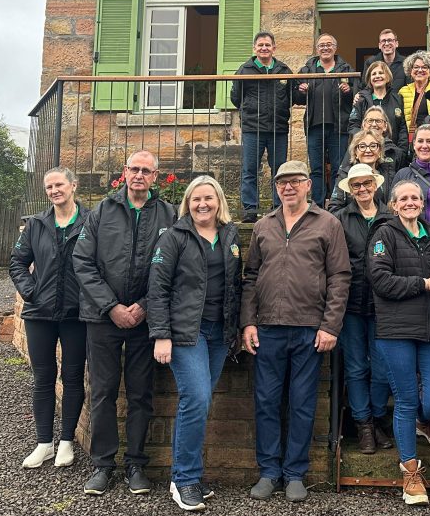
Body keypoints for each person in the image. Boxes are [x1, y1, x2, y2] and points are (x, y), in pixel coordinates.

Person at [241, 160, 351, 502]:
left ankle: (295, 474)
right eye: (282, 183)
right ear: (276, 188)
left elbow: (340, 278)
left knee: (302, 403)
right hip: (268, 328)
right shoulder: (264, 225)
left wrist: (330, 325)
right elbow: (250, 277)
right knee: (266, 402)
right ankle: (268, 471)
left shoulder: (328, 223)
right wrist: (248, 321)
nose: (288, 187)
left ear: (308, 185)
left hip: (309, 328)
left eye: (295, 181)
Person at [73, 150, 177, 496]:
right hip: (102, 318)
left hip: (145, 320)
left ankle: (135, 464)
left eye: (146, 170)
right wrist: (111, 306)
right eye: (134, 169)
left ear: (155, 176)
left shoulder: (169, 214)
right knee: (102, 392)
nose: (139, 175)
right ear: (124, 172)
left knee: (141, 394)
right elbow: (82, 262)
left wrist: (145, 306)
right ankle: (103, 465)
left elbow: (175, 266)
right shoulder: (102, 211)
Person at [148, 176, 242, 511]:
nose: (203, 204)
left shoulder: (230, 235)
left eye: (209, 198)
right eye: (196, 199)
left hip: (220, 333)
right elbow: (157, 289)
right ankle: (184, 479)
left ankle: (188, 475)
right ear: (187, 204)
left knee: (199, 403)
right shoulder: (173, 237)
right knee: (197, 398)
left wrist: (237, 329)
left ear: (219, 202)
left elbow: (236, 285)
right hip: (187, 332)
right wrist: (161, 334)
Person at [368, 179, 430, 506]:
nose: (409, 202)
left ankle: (424, 420)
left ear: (422, 203)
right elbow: (380, 280)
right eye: (403, 198)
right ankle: (410, 473)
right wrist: (424, 284)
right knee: (405, 399)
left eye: (415, 198)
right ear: (393, 205)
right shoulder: (384, 235)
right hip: (396, 332)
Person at [9, 166, 90, 470]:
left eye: (59, 185)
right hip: (39, 314)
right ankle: (44, 443)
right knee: (43, 378)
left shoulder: (90, 222)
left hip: (76, 315)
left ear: (73, 185)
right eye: (49, 187)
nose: (54, 191)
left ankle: (66, 441)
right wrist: (31, 291)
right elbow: (17, 263)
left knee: (72, 376)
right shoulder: (36, 224)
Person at [334, 163, 395, 455]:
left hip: (383, 304)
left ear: (375, 185)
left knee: (382, 367)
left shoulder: (390, 218)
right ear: (350, 189)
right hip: (351, 304)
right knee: (356, 367)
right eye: (356, 185)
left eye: (366, 183)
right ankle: (364, 424)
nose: (362, 189)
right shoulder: (340, 219)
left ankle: (378, 415)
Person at [231, 31, 292, 222]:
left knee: (279, 171)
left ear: (274, 48)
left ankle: (278, 207)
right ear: (254, 48)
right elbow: (236, 97)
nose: (264, 48)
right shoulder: (244, 70)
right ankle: (250, 211)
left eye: (267, 45)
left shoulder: (284, 70)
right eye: (260, 45)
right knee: (250, 170)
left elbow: (293, 96)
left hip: (278, 128)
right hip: (253, 128)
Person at [294, 34, 355, 208]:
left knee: (338, 168)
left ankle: (337, 204)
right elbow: (296, 97)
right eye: (321, 45)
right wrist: (301, 91)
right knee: (316, 169)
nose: (325, 48)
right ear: (317, 48)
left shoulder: (346, 68)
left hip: (338, 127)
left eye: (329, 45)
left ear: (335, 48)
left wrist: (349, 91)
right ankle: (317, 205)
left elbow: (356, 94)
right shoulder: (307, 70)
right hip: (314, 126)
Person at [349, 60, 409, 161]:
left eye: (381, 73)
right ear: (369, 79)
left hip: (392, 154)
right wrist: (364, 143)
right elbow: (353, 127)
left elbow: (402, 129)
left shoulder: (398, 99)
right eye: (374, 74)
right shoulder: (361, 100)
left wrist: (400, 152)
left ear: (387, 77)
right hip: (367, 154)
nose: (377, 76)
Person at [328, 129, 395, 213]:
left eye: (373, 146)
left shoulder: (388, 173)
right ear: (355, 152)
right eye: (362, 146)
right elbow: (334, 208)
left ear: (380, 151)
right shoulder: (345, 174)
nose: (368, 150)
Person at [361, 29, 408, 93]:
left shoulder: (406, 63)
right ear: (379, 45)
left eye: (390, 40)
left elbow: (409, 87)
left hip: (399, 99)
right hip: (376, 99)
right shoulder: (370, 62)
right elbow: (365, 86)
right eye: (383, 41)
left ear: (396, 44)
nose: (386, 43)